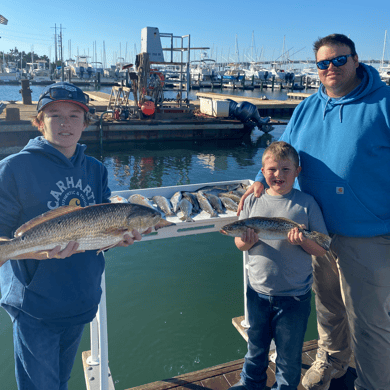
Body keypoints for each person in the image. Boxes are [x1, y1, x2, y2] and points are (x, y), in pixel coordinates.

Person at [238, 34, 390, 390]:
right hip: (313, 232)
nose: (331, 68)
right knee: (329, 309)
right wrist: (262, 177)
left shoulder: (383, 102)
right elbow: (282, 149)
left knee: (369, 323)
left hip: (366, 234)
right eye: (323, 63)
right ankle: (334, 360)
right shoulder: (307, 106)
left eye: (339, 60)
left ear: (356, 60)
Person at [0, 82, 148, 390]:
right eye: (55, 115)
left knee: (61, 381)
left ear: (86, 123)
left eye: (74, 115)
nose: (65, 123)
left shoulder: (95, 169)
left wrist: (120, 237)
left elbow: (102, 224)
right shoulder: (13, 169)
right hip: (35, 306)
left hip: (81, 297)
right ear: (39, 121)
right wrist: (39, 251)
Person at [230, 141, 328, 390]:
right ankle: (250, 383)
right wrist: (246, 240)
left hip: (294, 296)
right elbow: (239, 244)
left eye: (286, 169)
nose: (279, 175)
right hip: (258, 293)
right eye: (272, 169)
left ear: (297, 171)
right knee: (256, 348)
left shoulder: (306, 203)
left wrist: (304, 241)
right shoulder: (253, 200)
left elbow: (322, 248)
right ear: (262, 172)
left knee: (289, 354)